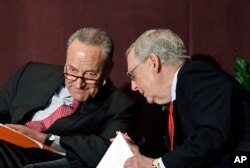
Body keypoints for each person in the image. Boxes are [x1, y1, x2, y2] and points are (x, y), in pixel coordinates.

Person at [0, 27, 141, 168]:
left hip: (44, 160)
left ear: (108, 69)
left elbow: (111, 151)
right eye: (72, 70)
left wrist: (47, 139)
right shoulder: (31, 73)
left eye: (90, 74)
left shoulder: (120, 106)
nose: (79, 83)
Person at [123, 28, 250, 168]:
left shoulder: (195, 74)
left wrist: (156, 165)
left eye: (132, 75)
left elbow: (211, 137)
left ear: (153, 62)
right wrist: (139, 158)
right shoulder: (181, 93)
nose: (133, 86)